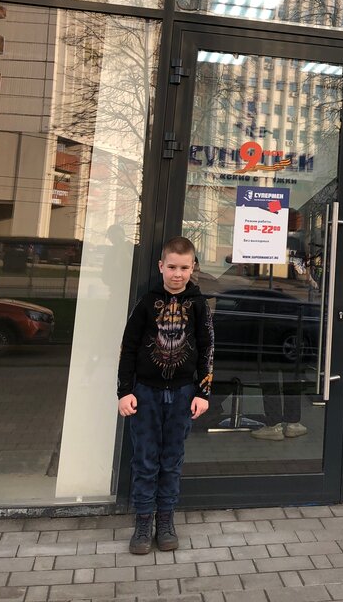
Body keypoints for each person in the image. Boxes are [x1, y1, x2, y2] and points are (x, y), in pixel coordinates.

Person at [117, 236, 214, 555]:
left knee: (171, 461)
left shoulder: (199, 305)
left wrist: (203, 390)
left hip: (184, 395)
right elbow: (128, 348)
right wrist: (125, 391)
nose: (177, 273)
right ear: (161, 266)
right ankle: (143, 522)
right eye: (172, 266)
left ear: (193, 268)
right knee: (145, 460)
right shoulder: (146, 303)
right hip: (145, 394)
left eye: (184, 267)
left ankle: (166, 520)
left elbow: (207, 349)